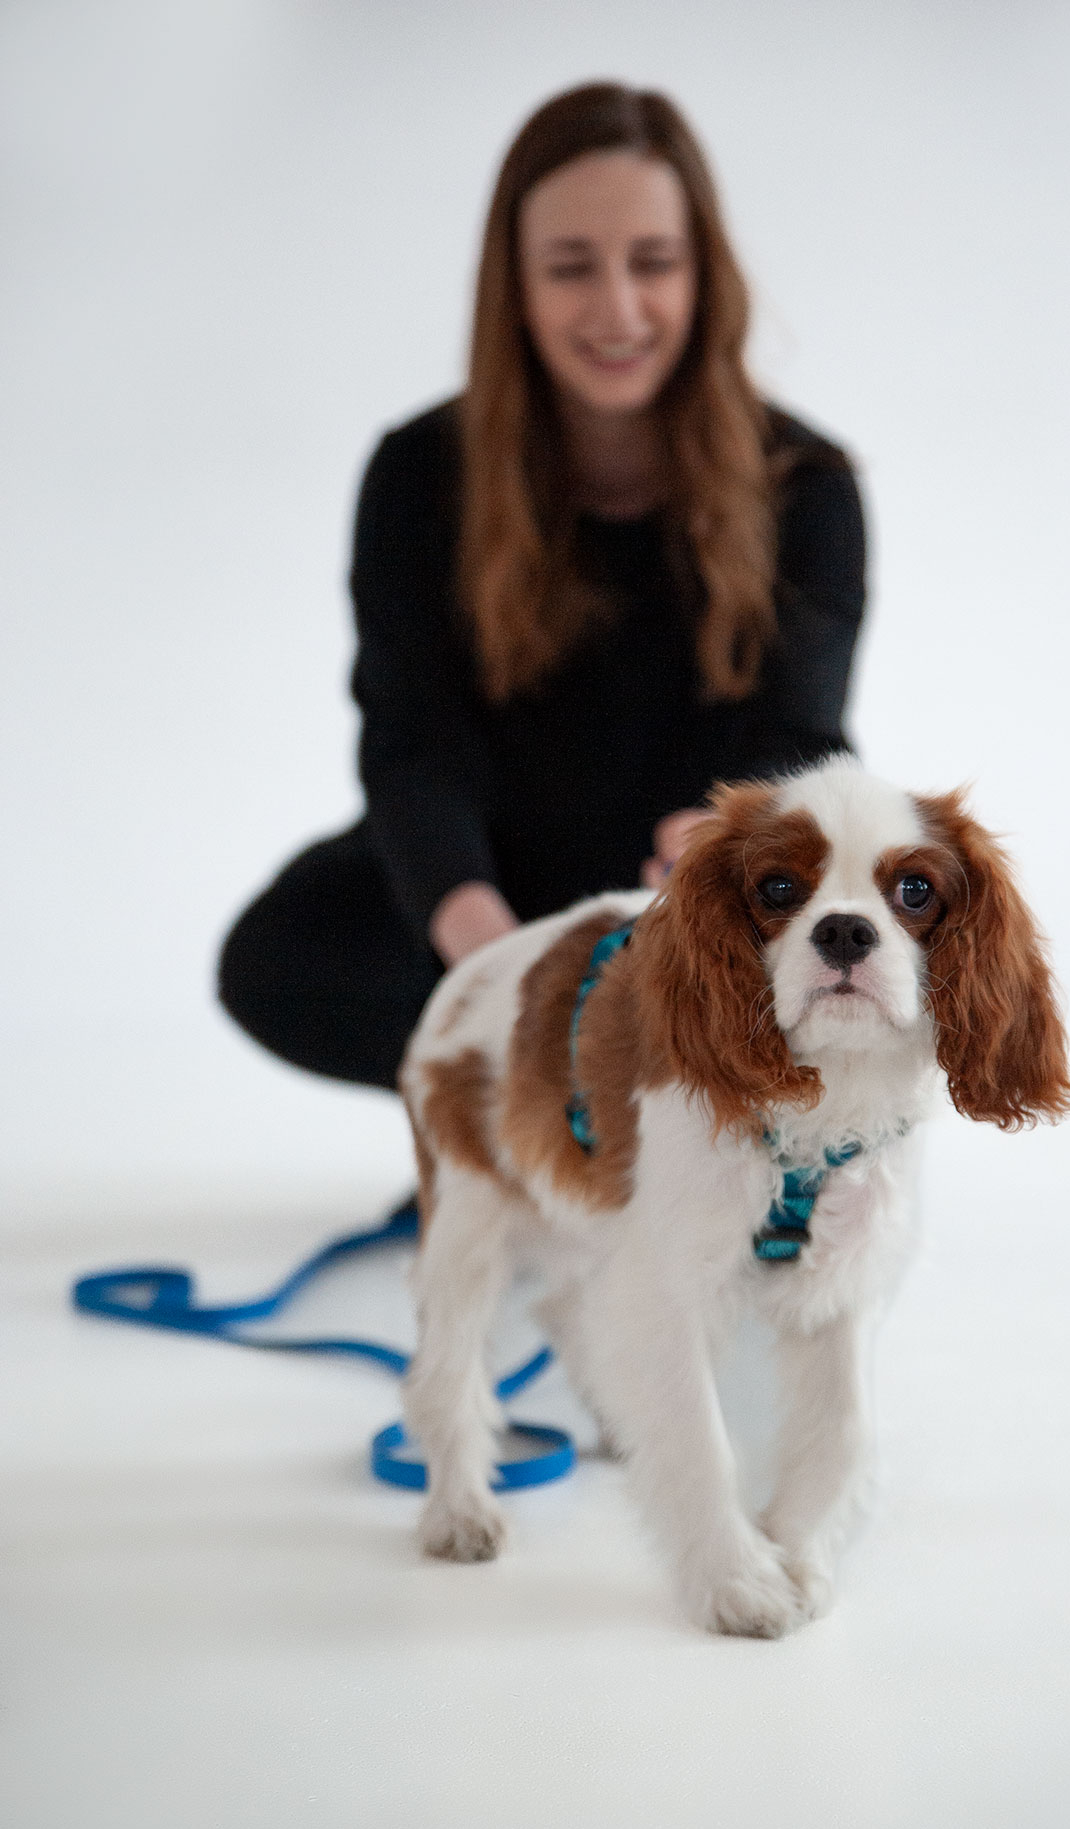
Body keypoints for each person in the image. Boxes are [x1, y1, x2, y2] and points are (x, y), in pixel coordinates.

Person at [218, 81, 868, 1093]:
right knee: (284, 952)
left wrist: (727, 841)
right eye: (571, 267)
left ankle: (637, 1106)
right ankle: (517, 1109)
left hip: (685, 895)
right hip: (496, 878)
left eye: (653, 262)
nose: (618, 309)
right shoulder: (417, 473)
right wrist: (488, 958)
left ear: (704, 275)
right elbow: (411, 745)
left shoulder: (808, 486)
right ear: (514, 285)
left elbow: (801, 738)